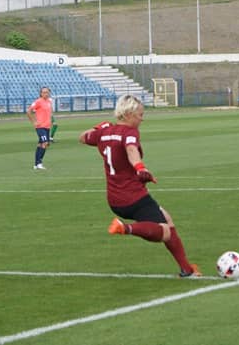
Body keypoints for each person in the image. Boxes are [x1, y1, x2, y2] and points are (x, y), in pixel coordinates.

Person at [79, 94, 202, 278]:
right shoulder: (129, 132)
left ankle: (186, 269)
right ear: (128, 114)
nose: (142, 119)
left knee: (167, 220)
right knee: (165, 232)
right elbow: (131, 149)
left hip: (114, 199)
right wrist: (140, 167)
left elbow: (83, 137)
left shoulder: (105, 132)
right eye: (140, 115)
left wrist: (99, 127)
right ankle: (125, 228)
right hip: (133, 197)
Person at [27, 87, 53, 169]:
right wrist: (34, 122)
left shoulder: (49, 101)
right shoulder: (38, 101)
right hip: (40, 126)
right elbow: (29, 111)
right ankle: (39, 163)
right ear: (41, 93)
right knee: (45, 143)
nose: (46, 94)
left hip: (47, 126)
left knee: (41, 144)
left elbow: (49, 113)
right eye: (44, 92)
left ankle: (36, 164)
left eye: (47, 92)